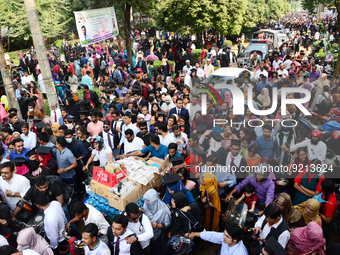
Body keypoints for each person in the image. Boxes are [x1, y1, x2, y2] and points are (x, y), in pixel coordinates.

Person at [143, 189, 171, 255]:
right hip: (149, 236)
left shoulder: (163, 210)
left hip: (160, 236)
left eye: (148, 200)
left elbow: (168, 223)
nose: (146, 201)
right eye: (146, 200)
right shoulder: (146, 205)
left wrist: (157, 225)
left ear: (154, 201)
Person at [199, 172, 221, 249]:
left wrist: (207, 202)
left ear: (209, 181)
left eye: (203, 180)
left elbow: (215, 204)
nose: (201, 182)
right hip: (206, 209)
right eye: (202, 179)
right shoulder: (204, 186)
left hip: (212, 212)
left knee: (210, 225)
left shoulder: (213, 191)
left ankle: (208, 241)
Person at [313, 179, 337, 245]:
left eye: (321, 186)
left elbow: (327, 220)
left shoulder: (330, 204)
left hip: (324, 225)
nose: (319, 186)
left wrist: (318, 212)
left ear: (324, 189)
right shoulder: (326, 194)